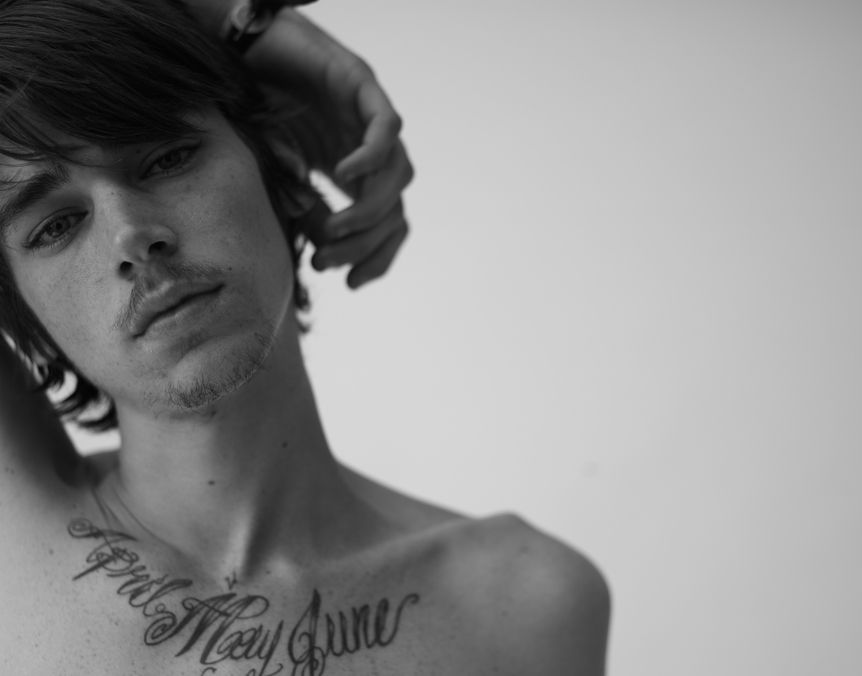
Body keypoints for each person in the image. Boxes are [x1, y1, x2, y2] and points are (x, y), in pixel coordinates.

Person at [0, 1, 610, 674]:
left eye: (167, 157)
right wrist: (235, 19)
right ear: (19, 306)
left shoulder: (520, 605)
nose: (131, 235)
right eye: (54, 226)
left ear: (282, 169)